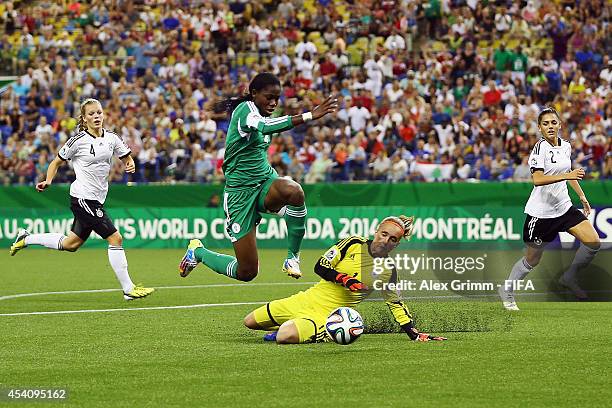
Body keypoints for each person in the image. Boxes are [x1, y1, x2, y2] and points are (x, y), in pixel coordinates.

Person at [179, 73, 338, 281]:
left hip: (264, 181)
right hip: (240, 195)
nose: (273, 103)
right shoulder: (246, 110)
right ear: (254, 94)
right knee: (247, 272)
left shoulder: (264, 114)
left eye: (277, 98)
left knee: (294, 192)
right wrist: (309, 115)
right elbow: (264, 127)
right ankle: (198, 253)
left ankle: (292, 258)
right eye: (268, 97)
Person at [9, 98, 154, 301]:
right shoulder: (78, 141)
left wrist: (130, 163)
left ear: (103, 115)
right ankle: (128, 289)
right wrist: (48, 180)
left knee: (71, 244)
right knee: (116, 239)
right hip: (83, 198)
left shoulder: (112, 138)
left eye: (99, 113)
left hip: (97, 199)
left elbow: (126, 156)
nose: (96, 116)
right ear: (84, 119)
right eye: (92, 114)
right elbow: (56, 162)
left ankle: (26, 238)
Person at [243, 215, 447, 344]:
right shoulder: (353, 242)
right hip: (306, 299)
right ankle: (293, 324)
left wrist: (414, 333)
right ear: (376, 231)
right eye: (384, 234)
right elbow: (320, 266)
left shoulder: (388, 271)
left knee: (284, 336)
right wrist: (346, 280)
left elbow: (396, 304)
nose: (386, 241)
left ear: (396, 244)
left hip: (330, 316)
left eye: (393, 239)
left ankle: (319, 332)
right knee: (250, 322)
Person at [499, 107, 600, 311]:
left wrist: (582, 197)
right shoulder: (539, 149)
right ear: (539, 128)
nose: (550, 127)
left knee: (594, 242)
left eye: (553, 122)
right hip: (541, 214)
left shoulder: (566, 146)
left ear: (559, 124)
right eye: (545, 124)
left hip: (563, 207)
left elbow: (569, 173)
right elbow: (537, 179)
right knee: (532, 260)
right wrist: (567, 176)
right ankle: (507, 289)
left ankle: (569, 278)